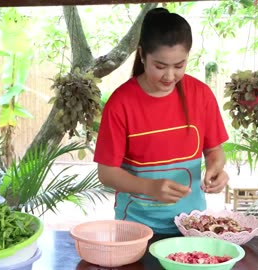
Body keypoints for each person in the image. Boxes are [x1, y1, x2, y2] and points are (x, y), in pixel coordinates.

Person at [93, 7, 229, 234]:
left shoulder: (201, 95)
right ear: (142, 56)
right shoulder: (120, 103)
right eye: (160, 66)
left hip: (193, 225)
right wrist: (150, 187)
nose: (169, 76)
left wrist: (216, 169)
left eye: (179, 65)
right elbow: (107, 173)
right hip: (137, 228)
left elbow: (215, 150)